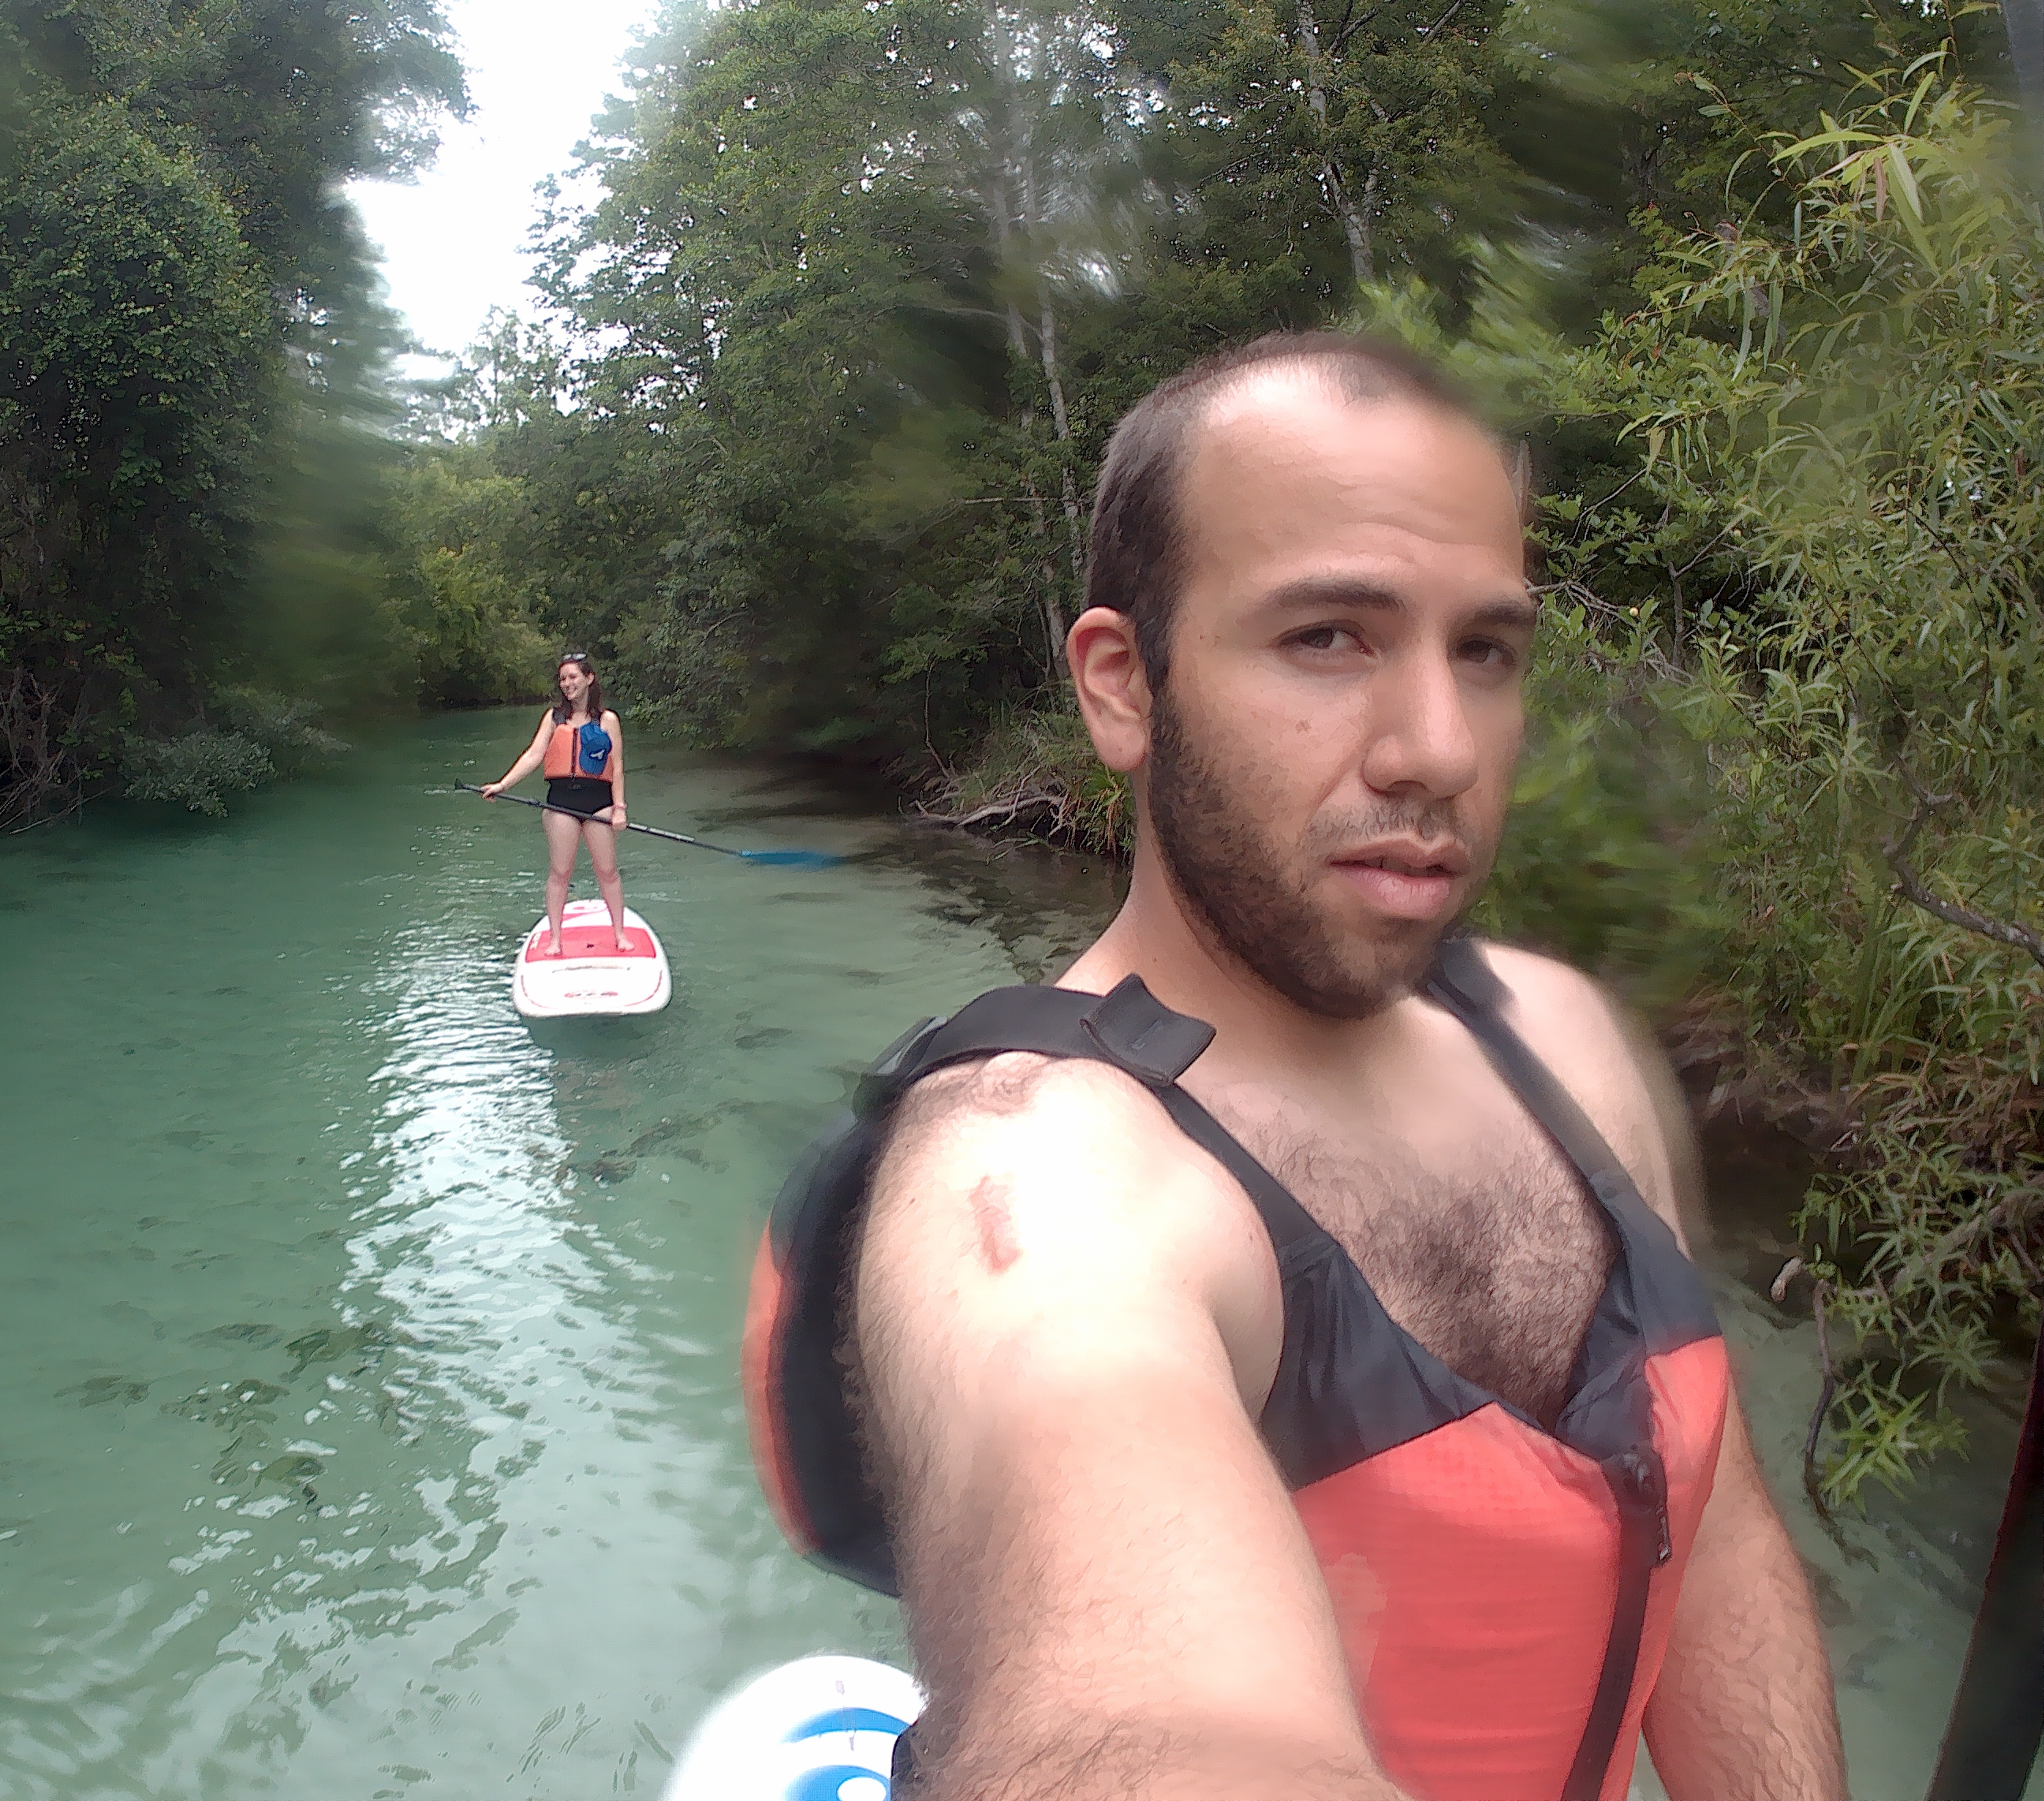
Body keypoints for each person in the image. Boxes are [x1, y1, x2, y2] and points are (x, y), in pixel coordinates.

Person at [750, 334, 1845, 1800]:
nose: (1439, 749)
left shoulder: (1567, 1039)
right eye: (1329, 636)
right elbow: (1130, 1717)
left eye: (1488, 652)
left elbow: (1711, 1541)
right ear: (1124, 686)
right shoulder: (1034, 1183)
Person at [482, 652, 631, 958]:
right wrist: (503, 784)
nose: (567, 684)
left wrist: (620, 808)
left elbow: (616, 767)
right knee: (560, 872)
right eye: (563, 679)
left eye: (573, 677)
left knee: (608, 871)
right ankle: (555, 940)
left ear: (589, 679)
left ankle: (619, 935)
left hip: (599, 802)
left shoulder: (608, 720)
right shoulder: (554, 719)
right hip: (561, 801)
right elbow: (534, 756)